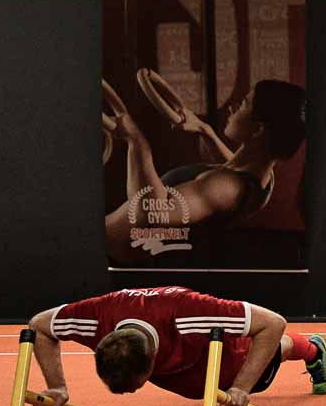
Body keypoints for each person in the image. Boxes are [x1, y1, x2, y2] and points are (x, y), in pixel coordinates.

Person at [25, 286, 326, 406]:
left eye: (134, 386)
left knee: (274, 350)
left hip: (230, 365)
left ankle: (313, 350)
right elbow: (39, 325)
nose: (131, 393)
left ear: (151, 364)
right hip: (187, 374)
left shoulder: (187, 313)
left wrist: (241, 387)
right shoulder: (96, 318)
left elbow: (273, 322)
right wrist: (57, 387)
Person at [103, 78, 306, 265]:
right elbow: (232, 164)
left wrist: (137, 142)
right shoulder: (264, 178)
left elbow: (150, 213)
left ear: (258, 129)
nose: (232, 108)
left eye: (244, 104)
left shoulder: (225, 187)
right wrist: (204, 131)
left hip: (108, 257)